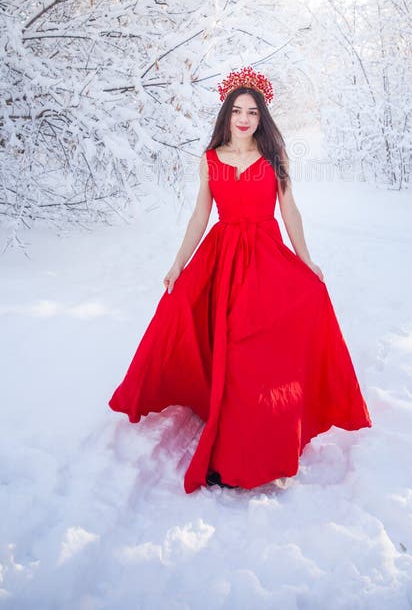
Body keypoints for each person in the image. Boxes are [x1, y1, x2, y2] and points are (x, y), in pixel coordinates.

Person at [109, 66, 371, 493]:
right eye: (237, 111)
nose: (245, 118)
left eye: (252, 111)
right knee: (222, 347)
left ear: (261, 116)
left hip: (265, 259)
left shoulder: (274, 157)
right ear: (226, 115)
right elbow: (200, 216)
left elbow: (290, 211)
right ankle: (230, 445)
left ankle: (261, 446)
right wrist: (178, 263)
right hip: (223, 259)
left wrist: (307, 261)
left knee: (257, 353)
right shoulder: (210, 159)